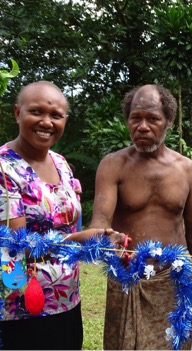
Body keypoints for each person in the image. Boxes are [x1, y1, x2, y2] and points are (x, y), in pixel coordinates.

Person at [0, 81, 120, 350]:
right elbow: (16, 246)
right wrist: (81, 239)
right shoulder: (4, 169)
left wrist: (101, 241)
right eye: (36, 112)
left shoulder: (61, 163)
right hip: (21, 307)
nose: (46, 122)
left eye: (56, 115)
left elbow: (65, 223)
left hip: (67, 299)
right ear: (17, 113)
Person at [89, 84, 192, 350]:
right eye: (135, 118)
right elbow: (100, 222)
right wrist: (103, 238)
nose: (142, 126)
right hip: (127, 282)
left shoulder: (186, 169)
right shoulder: (112, 165)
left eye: (152, 118)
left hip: (173, 282)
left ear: (168, 122)